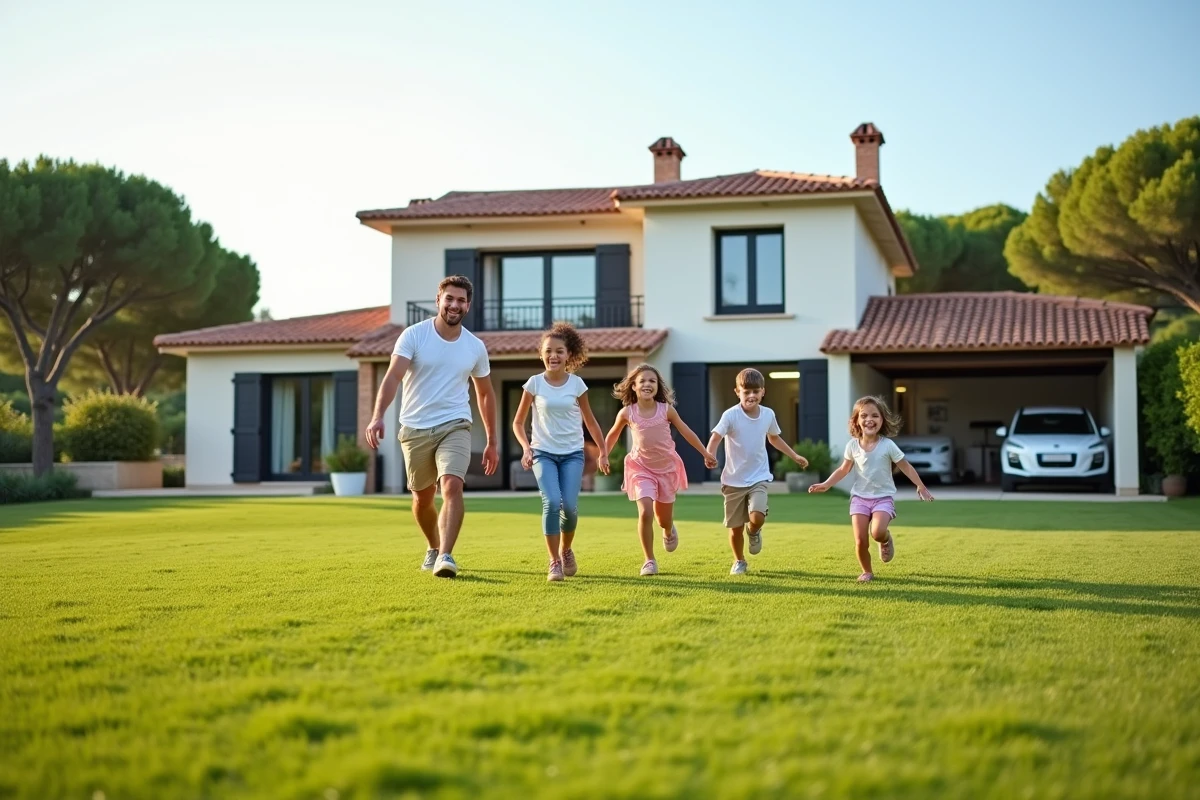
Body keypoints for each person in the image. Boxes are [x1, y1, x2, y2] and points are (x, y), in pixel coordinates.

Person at [364, 275, 498, 579]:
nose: (455, 305)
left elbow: (486, 393)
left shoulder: (474, 347)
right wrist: (377, 416)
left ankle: (447, 555)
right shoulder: (414, 336)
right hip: (414, 427)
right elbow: (393, 378)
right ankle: (433, 546)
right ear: (438, 300)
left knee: (452, 485)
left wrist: (491, 440)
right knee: (422, 498)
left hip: (455, 424)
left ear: (468, 305)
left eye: (461, 300)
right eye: (449, 298)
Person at [511, 322, 610, 583]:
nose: (553, 356)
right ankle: (554, 561)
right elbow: (518, 422)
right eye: (548, 351)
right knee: (552, 502)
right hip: (542, 452)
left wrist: (603, 451)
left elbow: (590, 421)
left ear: (569, 355)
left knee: (570, 508)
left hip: (572, 454)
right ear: (541, 355)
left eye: (559, 351)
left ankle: (566, 550)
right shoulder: (533, 384)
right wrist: (525, 447)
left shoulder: (577, 385)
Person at [605, 363, 717, 576]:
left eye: (652, 381)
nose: (647, 384)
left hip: (666, 469)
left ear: (657, 386)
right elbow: (612, 435)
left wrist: (705, 453)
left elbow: (686, 432)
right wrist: (604, 454)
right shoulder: (627, 413)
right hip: (640, 468)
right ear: (634, 387)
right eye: (643, 381)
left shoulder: (666, 410)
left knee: (662, 518)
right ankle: (649, 560)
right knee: (645, 511)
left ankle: (668, 529)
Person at [808, 395, 934, 582]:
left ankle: (885, 540)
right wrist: (826, 484)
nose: (869, 419)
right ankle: (867, 571)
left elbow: (905, 466)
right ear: (857, 421)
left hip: (883, 498)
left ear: (882, 419)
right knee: (860, 540)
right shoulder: (852, 446)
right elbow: (843, 469)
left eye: (875, 415)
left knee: (877, 532)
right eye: (864, 415)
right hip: (859, 498)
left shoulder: (888, 445)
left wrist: (921, 486)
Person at [706, 368, 811, 575]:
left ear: (763, 391)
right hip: (733, 479)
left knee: (757, 515)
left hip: (759, 476)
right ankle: (739, 561)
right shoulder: (731, 415)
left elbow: (774, 438)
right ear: (738, 392)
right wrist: (710, 454)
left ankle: (754, 531)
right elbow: (717, 436)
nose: (751, 396)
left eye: (756, 391)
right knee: (735, 528)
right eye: (746, 392)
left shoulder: (768, 415)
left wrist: (794, 455)